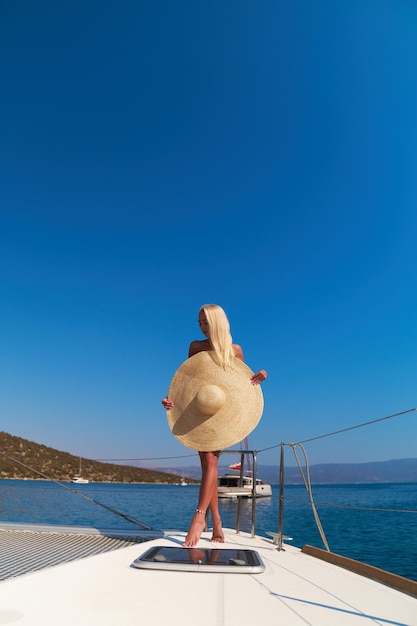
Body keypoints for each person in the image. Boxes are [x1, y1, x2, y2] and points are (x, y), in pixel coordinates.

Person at [162, 304, 267, 548]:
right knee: (208, 465)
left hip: (223, 411)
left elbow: (244, 384)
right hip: (199, 409)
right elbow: (188, 382)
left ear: (218, 322)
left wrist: (262, 374)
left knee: (210, 461)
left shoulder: (235, 350)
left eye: (206, 322)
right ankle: (217, 521)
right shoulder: (195, 347)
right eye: (199, 323)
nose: (202, 327)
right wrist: (170, 401)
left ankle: (199, 517)